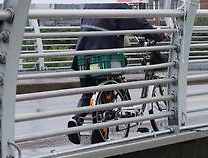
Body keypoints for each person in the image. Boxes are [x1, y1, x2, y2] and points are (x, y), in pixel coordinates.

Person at [67, 2, 165, 145]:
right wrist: (160, 35)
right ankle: (98, 133)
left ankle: (77, 119)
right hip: (104, 55)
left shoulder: (90, 5)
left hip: (83, 56)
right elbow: (140, 24)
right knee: (110, 85)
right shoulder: (119, 7)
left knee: (88, 92)